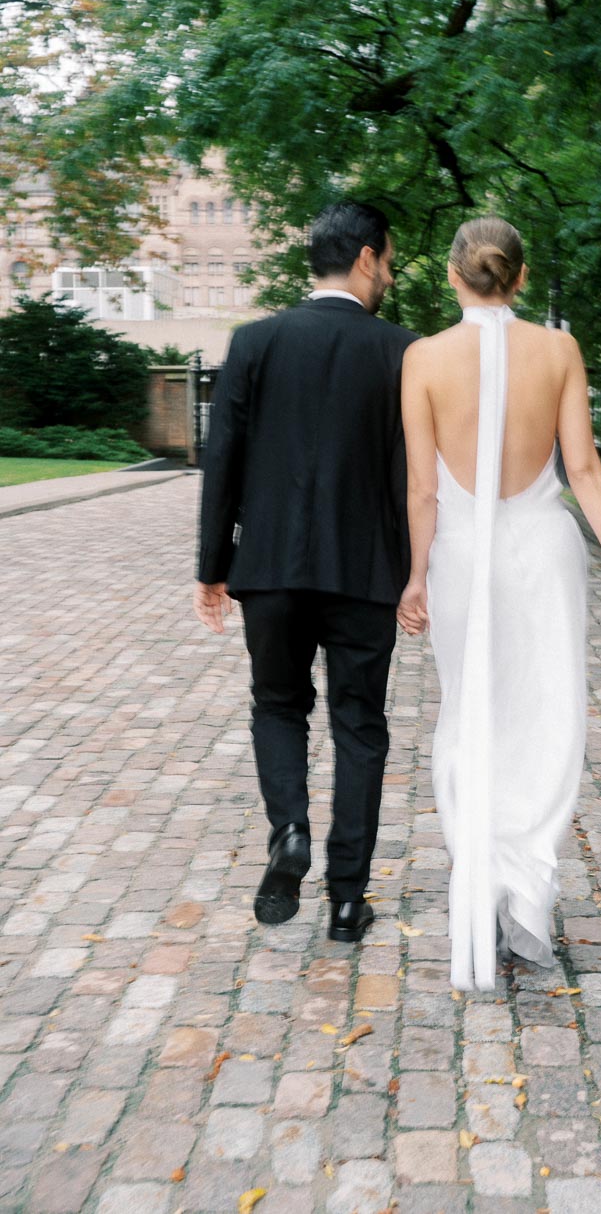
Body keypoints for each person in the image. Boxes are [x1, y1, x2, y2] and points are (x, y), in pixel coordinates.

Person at [398, 216, 601, 990]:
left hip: (464, 556)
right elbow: (583, 467)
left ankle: (483, 883)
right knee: (546, 719)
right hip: (543, 550)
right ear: (522, 275)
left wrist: (414, 578)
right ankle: (527, 901)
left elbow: (422, 488)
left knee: (471, 714)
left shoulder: (424, 358)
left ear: (450, 276)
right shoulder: (560, 351)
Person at [194, 201, 417, 943]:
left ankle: (289, 830)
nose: (389, 274)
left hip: (272, 569)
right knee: (360, 726)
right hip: (365, 571)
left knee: (278, 705)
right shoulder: (400, 351)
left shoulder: (254, 341)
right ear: (364, 258)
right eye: (387, 260)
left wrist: (211, 567)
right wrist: (416, 570)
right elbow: (410, 473)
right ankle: (347, 902)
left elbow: (220, 458)